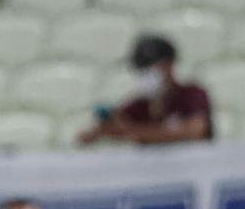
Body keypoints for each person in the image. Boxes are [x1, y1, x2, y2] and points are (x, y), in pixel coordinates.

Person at [79, 34, 214, 147]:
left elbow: (195, 131)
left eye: (150, 67)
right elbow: (89, 135)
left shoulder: (193, 94)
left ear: (169, 66)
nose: (144, 74)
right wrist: (106, 125)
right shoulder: (139, 104)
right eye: (140, 69)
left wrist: (131, 131)